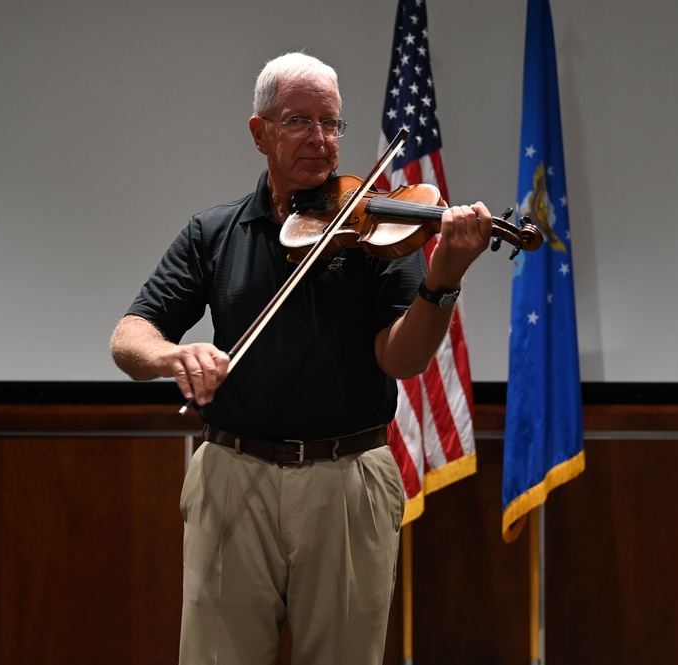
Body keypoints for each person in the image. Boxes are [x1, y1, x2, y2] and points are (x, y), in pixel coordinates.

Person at [110, 52, 494, 665]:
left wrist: (441, 280)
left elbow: (403, 359)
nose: (320, 140)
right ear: (260, 132)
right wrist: (172, 357)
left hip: (347, 479)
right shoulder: (215, 232)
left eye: (332, 123)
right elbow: (130, 335)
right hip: (233, 475)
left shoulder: (379, 227)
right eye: (298, 121)